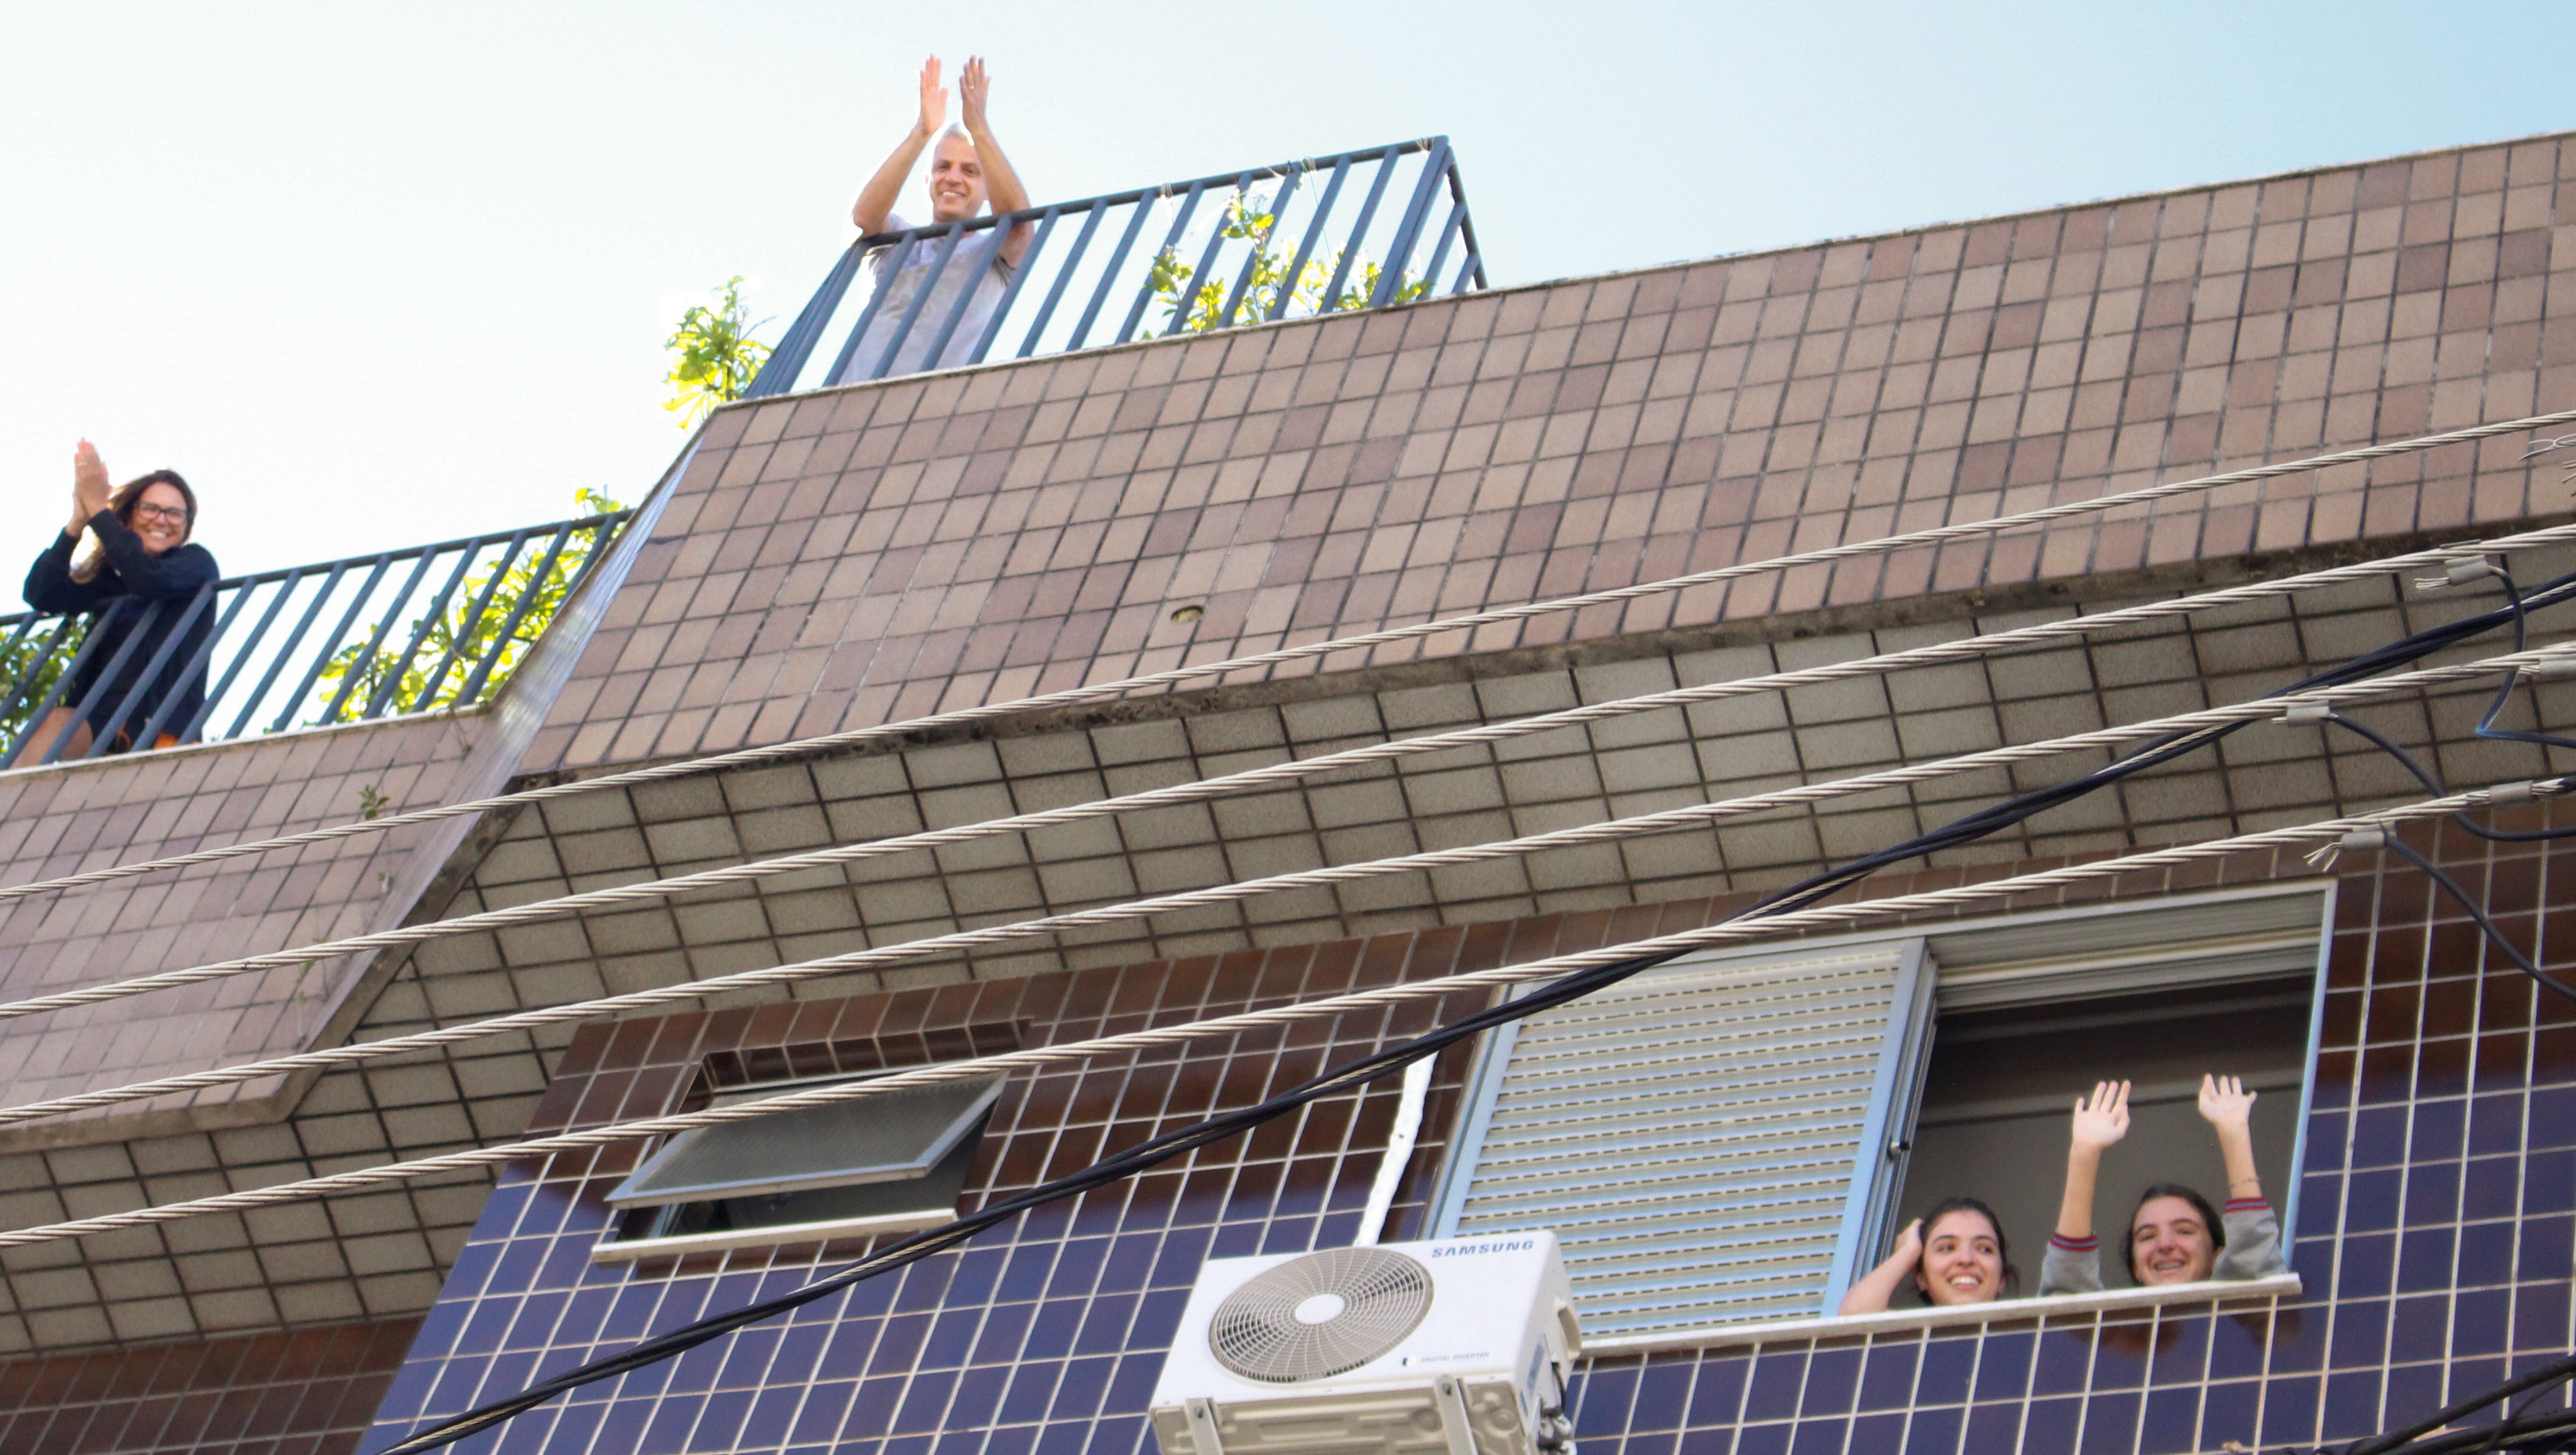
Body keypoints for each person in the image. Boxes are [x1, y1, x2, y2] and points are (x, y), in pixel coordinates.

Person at [839, 54, 1034, 381]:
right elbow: (863, 218)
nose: (953, 178)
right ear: (927, 180)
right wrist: (922, 132)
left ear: (989, 189)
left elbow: (1020, 227)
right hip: (857, 400)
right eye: (943, 167)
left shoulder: (992, 254)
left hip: (936, 404)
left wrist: (979, 128)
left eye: (970, 171)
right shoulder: (896, 238)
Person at [21, 440, 219, 759]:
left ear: (186, 526)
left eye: (175, 514)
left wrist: (99, 510)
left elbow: (148, 579)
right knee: (54, 722)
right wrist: (78, 522)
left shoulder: (196, 564)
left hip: (159, 728)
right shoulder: (110, 581)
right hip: (98, 724)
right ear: (128, 516)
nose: (162, 520)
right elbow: (42, 594)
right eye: (150, 508)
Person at [2038, 1076, 2289, 1294]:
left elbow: (2256, 1271)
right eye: (2147, 1236)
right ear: (2135, 1267)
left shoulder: (2244, 1328)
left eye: (2185, 1231)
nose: (2165, 1245)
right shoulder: (2112, 1335)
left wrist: (2235, 1134)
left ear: (2216, 1255)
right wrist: (2084, 1153)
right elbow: (2067, 1308)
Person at [1838, 1196, 2014, 1313]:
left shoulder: (2025, 1341)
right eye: (1947, 1248)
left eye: (1985, 1249)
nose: (1966, 1259)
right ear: (1921, 1278)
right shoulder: (1909, 1341)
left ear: (2002, 1279)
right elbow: (1856, 1315)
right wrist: (1908, 1252)